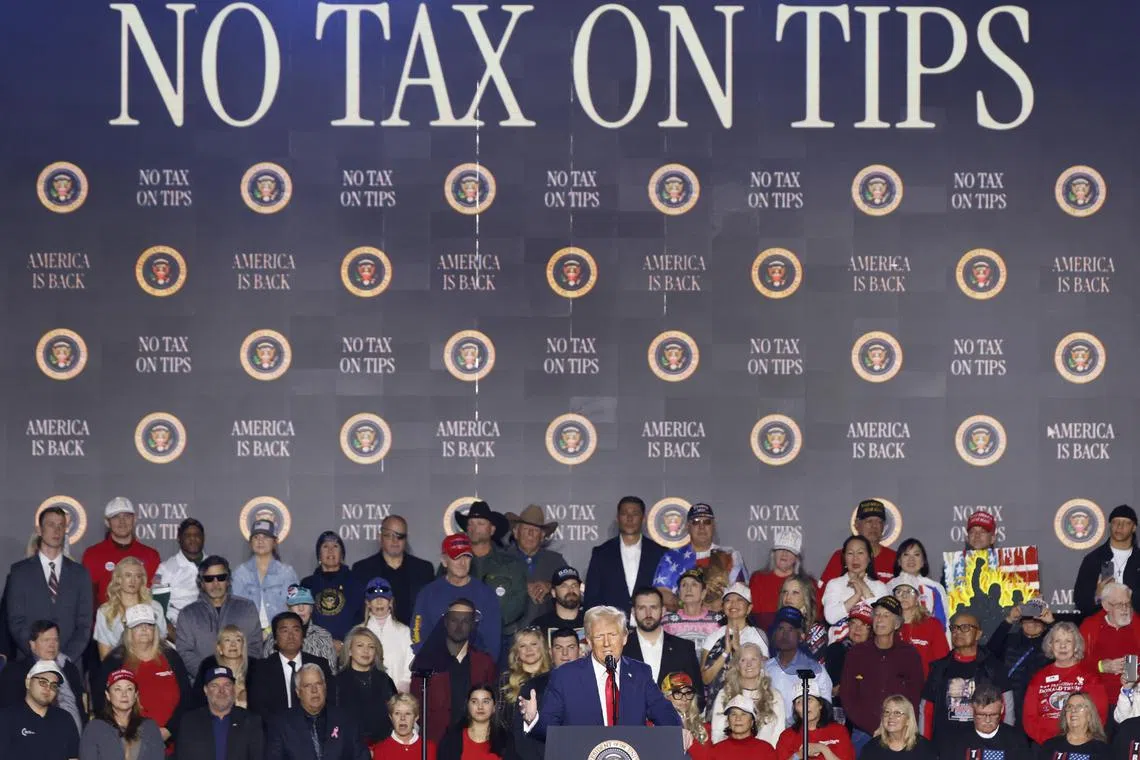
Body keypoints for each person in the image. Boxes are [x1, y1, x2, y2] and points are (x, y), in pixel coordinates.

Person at [518, 605, 681, 736]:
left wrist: (679, 732)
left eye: (612, 635)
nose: (607, 643)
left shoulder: (640, 673)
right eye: (599, 637)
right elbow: (549, 729)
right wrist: (533, 719)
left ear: (624, 637)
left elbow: (664, 713)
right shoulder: (565, 676)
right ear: (588, 640)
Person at [6, 504, 94, 663]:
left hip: (69, 664)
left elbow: (84, 624)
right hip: (30, 663)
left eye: (61, 525)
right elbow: (16, 621)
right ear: (39, 530)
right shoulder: (19, 572)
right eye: (51, 525)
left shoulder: (80, 574)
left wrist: (66, 658)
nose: (57, 530)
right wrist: (39, 654)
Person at [96, 604, 192, 746]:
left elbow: (186, 697)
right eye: (138, 625)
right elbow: (101, 702)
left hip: (172, 740)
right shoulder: (114, 661)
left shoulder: (171, 657)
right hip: (128, 743)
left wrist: (168, 730)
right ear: (128, 631)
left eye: (148, 625)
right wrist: (126, 734)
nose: (144, 629)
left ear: (155, 629)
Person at [840, 597, 923, 754]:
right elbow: (847, 696)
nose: (879, 620)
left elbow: (914, 696)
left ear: (897, 624)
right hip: (864, 733)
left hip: (900, 734)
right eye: (877, 615)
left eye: (886, 615)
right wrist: (873, 727)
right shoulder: (856, 653)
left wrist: (896, 726)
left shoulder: (910, 655)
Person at [409, 599, 498, 743]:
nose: (459, 626)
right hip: (436, 744)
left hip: (476, 743)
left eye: (465, 621)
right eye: (454, 620)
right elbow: (415, 705)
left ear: (473, 625)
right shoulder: (426, 662)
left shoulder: (484, 663)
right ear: (445, 622)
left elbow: (493, 705)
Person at [920, 610, 1014, 740]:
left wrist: (1003, 742)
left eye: (965, 627)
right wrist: (923, 744)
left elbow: (1007, 709)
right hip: (945, 746)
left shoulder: (994, 667)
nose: (958, 632)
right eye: (954, 628)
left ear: (978, 634)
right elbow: (926, 710)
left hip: (984, 745)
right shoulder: (939, 668)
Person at [458, 501, 527, 664]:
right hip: (461, 639)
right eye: (471, 524)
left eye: (480, 523)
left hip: (502, 638)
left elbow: (518, 602)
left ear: (492, 529)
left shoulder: (511, 564)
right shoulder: (455, 562)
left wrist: (489, 623)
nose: (474, 528)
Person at [411, 535, 502, 657]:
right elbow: (417, 633)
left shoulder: (486, 595)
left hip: (475, 669)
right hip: (437, 668)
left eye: (466, 556)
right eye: (456, 557)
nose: (462, 562)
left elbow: (493, 641)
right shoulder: (428, 594)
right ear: (444, 561)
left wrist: (483, 669)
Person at [175, 556, 262, 681]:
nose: (215, 584)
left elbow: (255, 647)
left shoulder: (247, 608)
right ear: (202, 583)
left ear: (228, 581)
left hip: (242, 684)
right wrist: (211, 676)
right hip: (203, 686)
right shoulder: (187, 614)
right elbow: (185, 652)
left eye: (221, 578)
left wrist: (237, 675)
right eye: (209, 579)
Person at [1023, 622, 1107, 745]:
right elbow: (1029, 718)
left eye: (1068, 641)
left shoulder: (1090, 677)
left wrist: (1076, 741)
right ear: (1051, 645)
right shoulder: (1039, 677)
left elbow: (1099, 715)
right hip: (1044, 745)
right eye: (1057, 641)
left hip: (1080, 744)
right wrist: (1049, 743)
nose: (1062, 646)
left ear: (1076, 646)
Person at [654, 504, 747, 612]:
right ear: (688, 526)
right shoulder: (672, 557)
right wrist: (688, 606)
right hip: (680, 622)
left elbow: (741, 591)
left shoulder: (729, 556)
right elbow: (661, 592)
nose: (701, 527)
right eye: (696, 522)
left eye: (706, 522)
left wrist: (720, 604)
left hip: (721, 622)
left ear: (713, 526)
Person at [265, 663, 369, 760]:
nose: (314, 690)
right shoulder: (281, 724)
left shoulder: (347, 720)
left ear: (325, 687)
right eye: (307, 686)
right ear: (298, 692)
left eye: (318, 684)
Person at [584, 497, 668, 615]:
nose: (629, 519)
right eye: (624, 514)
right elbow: (592, 597)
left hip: (650, 626)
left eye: (635, 513)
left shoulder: (660, 553)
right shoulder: (601, 553)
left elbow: (667, 596)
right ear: (617, 518)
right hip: (612, 628)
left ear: (643, 519)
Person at [0, 620, 86, 733]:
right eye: (46, 640)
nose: (52, 645)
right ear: (32, 645)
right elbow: (9, 713)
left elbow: (79, 707)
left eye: (55, 640)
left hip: (76, 737)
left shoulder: (69, 669)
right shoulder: (16, 672)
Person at [247, 612, 333, 722]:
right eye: (284, 631)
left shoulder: (319, 664)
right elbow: (258, 709)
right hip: (276, 731)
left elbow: (330, 702)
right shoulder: (260, 669)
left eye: (296, 630)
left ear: (303, 636)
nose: (291, 636)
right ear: (275, 639)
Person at [352, 516, 435, 627]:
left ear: (406, 539)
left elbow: (429, 611)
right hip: (374, 639)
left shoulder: (424, 569)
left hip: (414, 639)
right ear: (379, 537)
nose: (394, 541)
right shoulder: (361, 570)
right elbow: (357, 613)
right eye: (389, 535)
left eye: (399, 536)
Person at [625, 587, 703, 700]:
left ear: (663, 610)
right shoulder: (621, 648)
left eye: (653, 607)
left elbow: (697, 696)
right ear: (633, 612)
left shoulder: (684, 648)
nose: (648, 613)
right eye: (642, 608)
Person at [81, 497, 162, 605]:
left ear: (135, 519)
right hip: (106, 619)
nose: (122, 522)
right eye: (115, 517)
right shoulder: (92, 555)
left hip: (143, 620)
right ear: (107, 522)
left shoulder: (151, 555)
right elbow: (85, 599)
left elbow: (157, 596)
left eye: (127, 516)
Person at [173, 665, 264, 760]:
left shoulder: (251, 720)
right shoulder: (189, 721)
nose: (221, 691)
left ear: (234, 689)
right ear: (206, 690)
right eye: (214, 686)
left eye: (227, 685)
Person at [987, 601, 1053, 727]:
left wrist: (1052, 623)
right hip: (1013, 707)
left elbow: (1069, 649)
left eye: (1036, 619)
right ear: (1021, 622)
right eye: (1027, 619)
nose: (1031, 624)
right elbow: (990, 651)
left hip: (1043, 705)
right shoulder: (1010, 640)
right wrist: (1009, 620)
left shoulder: (1052, 643)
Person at [700, 584, 768, 706]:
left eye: (739, 600)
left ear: (749, 608)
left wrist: (737, 651)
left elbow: (763, 672)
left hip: (749, 704)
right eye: (728, 600)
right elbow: (705, 679)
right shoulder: (714, 636)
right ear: (723, 607)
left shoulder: (757, 635)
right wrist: (726, 652)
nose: (733, 604)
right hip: (718, 704)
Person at [231, 520, 300, 639]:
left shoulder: (287, 573)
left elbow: (293, 608)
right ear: (250, 542)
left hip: (280, 636)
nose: (260, 541)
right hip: (247, 636)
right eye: (256, 537)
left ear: (275, 542)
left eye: (265, 537)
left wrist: (269, 631)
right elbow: (236, 611)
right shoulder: (240, 573)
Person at [0, 660, 80, 759]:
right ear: (28, 682)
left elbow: (73, 757)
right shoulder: (7, 718)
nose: (48, 688)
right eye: (43, 682)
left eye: (54, 685)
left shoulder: (65, 719)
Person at [766, 607, 833, 726]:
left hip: (803, 736)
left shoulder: (817, 671)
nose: (784, 634)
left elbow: (825, 712)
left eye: (791, 629)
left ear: (801, 636)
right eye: (781, 628)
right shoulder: (765, 669)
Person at [1079, 582, 1140, 709]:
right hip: (1097, 700)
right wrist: (1102, 666)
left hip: (1134, 699)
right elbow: (1077, 662)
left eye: (1127, 604)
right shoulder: (1090, 627)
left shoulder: (1137, 626)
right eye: (1119, 604)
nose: (1125, 609)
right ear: (1106, 605)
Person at [334, 626, 397, 747]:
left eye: (371, 647)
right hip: (349, 748)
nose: (366, 651)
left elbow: (395, 715)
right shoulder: (338, 682)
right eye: (360, 645)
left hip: (383, 746)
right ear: (350, 650)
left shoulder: (385, 680)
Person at [80, 669, 165, 760]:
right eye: (118, 689)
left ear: (136, 695)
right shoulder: (94, 728)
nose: (124, 694)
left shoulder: (150, 727)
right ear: (108, 695)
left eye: (129, 689)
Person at [709, 643, 784, 745]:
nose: (749, 664)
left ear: (761, 662)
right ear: (737, 665)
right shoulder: (725, 694)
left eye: (754, 659)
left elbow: (778, 735)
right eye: (743, 660)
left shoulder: (774, 696)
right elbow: (717, 734)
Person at [505, 505, 567, 626]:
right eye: (526, 529)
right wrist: (521, 587)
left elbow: (574, 593)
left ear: (542, 536)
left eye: (535, 530)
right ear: (516, 532)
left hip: (546, 633)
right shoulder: (502, 559)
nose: (530, 534)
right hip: (511, 636)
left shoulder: (556, 561)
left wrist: (551, 586)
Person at [1074, 505, 1140, 618]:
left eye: (1126, 523)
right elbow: (1080, 602)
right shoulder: (1093, 559)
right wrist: (1098, 596)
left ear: (1134, 527)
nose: (1120, 526)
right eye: (1116, 522)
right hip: (1101, 628)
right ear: (1110, 525)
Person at [94, 557, 167, 658]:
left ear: (142, 580)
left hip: (150, 665)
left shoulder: (155, 608)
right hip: (118, 668)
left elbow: (161, 646)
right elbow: (105, 655)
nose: (133, 580)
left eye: (137, 576)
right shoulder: (105, 611)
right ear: (119, 579)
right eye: (128, 575)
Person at [302, 532, 364, 645]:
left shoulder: (356, 583)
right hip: (314, 646)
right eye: (325, 546)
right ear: (319, 555)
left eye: (335, 546)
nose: (330, 551)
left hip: (349, 648)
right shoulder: (307, 584)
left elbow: (361, 619)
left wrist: (344, 644)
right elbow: (302, 619)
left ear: (342, 554)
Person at [823, 536, 889, 643]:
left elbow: (881, 618)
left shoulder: (880, 586)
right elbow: (831, 617)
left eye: (860, 553)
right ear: (844, 558)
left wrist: (863, 586)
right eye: (850, 553)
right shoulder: (834, 584)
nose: (855, 558)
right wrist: (857, 595)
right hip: (838, 649)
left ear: (869, 557)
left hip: (870, 649)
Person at [939, 683, 1030, 760]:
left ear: (1002, 709)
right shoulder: (954, 741)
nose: (987, 720)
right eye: (981, 715)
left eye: (993, 715)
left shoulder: (1016, 740)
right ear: (972, 709)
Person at [261, 585, 338, 674]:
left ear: (312, 609)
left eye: (305, 603)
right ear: (289, 608)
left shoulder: (323, 636)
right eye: (296, 604)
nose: (301, 608)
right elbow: (266, 671)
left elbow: (331, 672)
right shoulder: (275, 636)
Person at [819, 500, 898, 587]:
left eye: (879, 522)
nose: (874, 526)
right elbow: (822, 596)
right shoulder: (840, 557)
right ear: (857, 524)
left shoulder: (895, 558)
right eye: (869, 521)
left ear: (883, 526)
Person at [498, 629, 549, 760]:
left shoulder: (555, 678)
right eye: (522, 646)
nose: (529, 649)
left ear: (542, 647)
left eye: (533, 644)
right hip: (515, 749)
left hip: (548, 748)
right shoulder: (505, 680)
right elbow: (501, 719)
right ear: (516, 652)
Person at [773, 681, 854, 760]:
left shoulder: (838, 731)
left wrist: (823, 749)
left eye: (809, 699)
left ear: (820, 705)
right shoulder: (787, 736)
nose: (804, 705)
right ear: (796, 709)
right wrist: (799, 755)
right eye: (798, 702)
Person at [888, 576, 948, 677]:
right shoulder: (887, 625)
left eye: (909, 591)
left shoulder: (932, 625)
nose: (904, 596)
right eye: (899, 592)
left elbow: (942, 660)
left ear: (917, 598)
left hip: (925, 685)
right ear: (893, 598)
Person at [363, 578, 413, 692]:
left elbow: (410, 662)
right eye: (374, 598)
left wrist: (405, 684)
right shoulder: (359, 632)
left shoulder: (404, 631)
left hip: (397, 692)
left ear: (390, 602)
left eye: (383, 598)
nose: (379, 602)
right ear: (368, 603)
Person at [438, 685, 514, 760]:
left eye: (486, 702)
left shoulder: (506, 739)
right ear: (468, 706)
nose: (480, 707)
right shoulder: (451, 739)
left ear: (494, 707)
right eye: (474, 701)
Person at [155, 518, 206, 630]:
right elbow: (157, 608)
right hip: (175, 632)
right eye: (188, 535)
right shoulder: (165, 569)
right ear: (179, 538)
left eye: (197, 535)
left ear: (203, 538)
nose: (193, 539)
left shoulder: (213, 566)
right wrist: (176, 637)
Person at [192, 624, 258, 709]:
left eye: (238, 640)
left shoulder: (255, 666)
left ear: (243, 646)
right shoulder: (208, 666)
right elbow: (198, 699)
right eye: (227, 640)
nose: (233, 644)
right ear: (219, 648)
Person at [750, 531, 803, 632]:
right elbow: (753, 616)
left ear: (796, 558)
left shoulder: (807, 582)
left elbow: (813, 617)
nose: (784, 554)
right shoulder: (758, 579)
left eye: (789, 550)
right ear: (773, 553)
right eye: (780, 549)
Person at [891, 539, 949, 627]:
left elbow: (944, 623)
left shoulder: (935, 587)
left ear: (923, 562)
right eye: (906, 554)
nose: (911, 559)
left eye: (916, 554)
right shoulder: (889, 586)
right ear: (899, 561)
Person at [823, 601, 870, 710]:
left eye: (864, 625)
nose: (858, 629)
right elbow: (834, 689)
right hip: (840, 709)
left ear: (871, 630)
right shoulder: (836, 650)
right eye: (854, 623)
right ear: (848, 626)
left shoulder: (877, 654)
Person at [662, 569, 724, 648]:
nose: (688, 589)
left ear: (703, 593)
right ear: (679, 593)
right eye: (684, 585)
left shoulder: (718, 619)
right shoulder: (667, 621)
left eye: (694, 585)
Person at [860, 695, 936, 760]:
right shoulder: (871, 748)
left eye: (897, 713)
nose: (890, 716)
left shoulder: (924, 748)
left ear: (908, 720)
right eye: (887, 712)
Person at [1038, 692, 1108, 760]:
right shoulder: (1050, 746)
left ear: (1089, 715)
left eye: (1079, 706)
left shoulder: (1101, 749)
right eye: (1069, 707)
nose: (1073, 710)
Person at [371, 694, 437, 760]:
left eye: (408, 713)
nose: (402, 718)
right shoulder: (378, 750)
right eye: (397, 713)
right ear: (391, 717)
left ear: (416, 717)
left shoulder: (429, 748)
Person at [528, 566, 585, 644]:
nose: (571, 590)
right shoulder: (540, 625)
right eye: (564, 586)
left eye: (574, 585)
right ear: (553, 592)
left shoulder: (590, 621)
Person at [776, 576, 827, 662]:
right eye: (785, 592)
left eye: (795, 593)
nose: (788, 597)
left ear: (806, 597)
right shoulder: (776, 627)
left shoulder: (817, 630)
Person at [662, 672, 711, 760]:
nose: (684, 698)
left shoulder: (704, 729)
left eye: (688, 693)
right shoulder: (653, 726)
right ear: (666, 697)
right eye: (677, 693)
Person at [712, 695, 778, 760]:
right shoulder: (715, 751)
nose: (738, 718)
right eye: (733, 714)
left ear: (752, 721)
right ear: (728, 721)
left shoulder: (766, 750)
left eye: (743, 714)